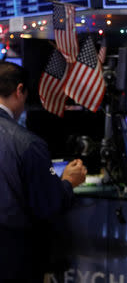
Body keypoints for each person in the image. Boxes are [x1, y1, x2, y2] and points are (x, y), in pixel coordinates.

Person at [0, 61, 87, 282]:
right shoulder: (28, 143)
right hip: (14, 259)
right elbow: (48, 203)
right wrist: (67, 182)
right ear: (20, 91)